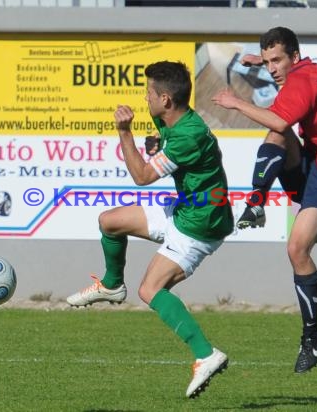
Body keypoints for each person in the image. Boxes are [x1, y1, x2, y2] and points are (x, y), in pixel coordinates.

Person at [67, 61, 234, 398]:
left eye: (149, 94)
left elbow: (142, 177)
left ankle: (206, 354)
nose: (145, 99)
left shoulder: (189, 134)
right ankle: (113, 285)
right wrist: (155, 143)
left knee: (150, 290)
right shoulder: (170, 119)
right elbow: (160, 144)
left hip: (200, 225)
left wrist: (124, 132)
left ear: (166, 100)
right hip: (185, 208)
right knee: (109, 221)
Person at [212, 27, 317, 373]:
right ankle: (256, 201)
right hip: (311, 160)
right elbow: (284, 101)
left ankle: (312, 337)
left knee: (297, 248)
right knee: (279, 134)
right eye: (267, 61)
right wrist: (259, 62)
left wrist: (237, 101)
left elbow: (281, 118)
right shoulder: (304, 70)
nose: (272, 68)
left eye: (277, 60)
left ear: (295, 57)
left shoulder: (304, 80)